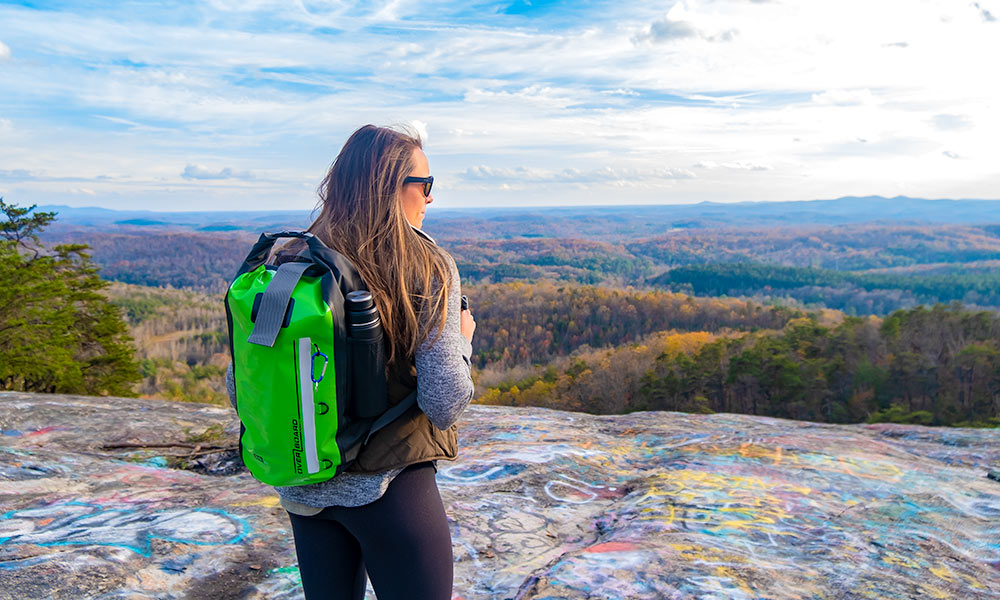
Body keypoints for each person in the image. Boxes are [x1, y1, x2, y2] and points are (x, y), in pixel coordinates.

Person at [226, 124, 475, 600]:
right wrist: (462, 340)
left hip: (302, 486)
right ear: (391, 186)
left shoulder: (287, 262)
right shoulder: (426, 263)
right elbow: (445, 401)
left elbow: (243, 388)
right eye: (425, 185)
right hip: (389, 491)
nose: (429, 199)